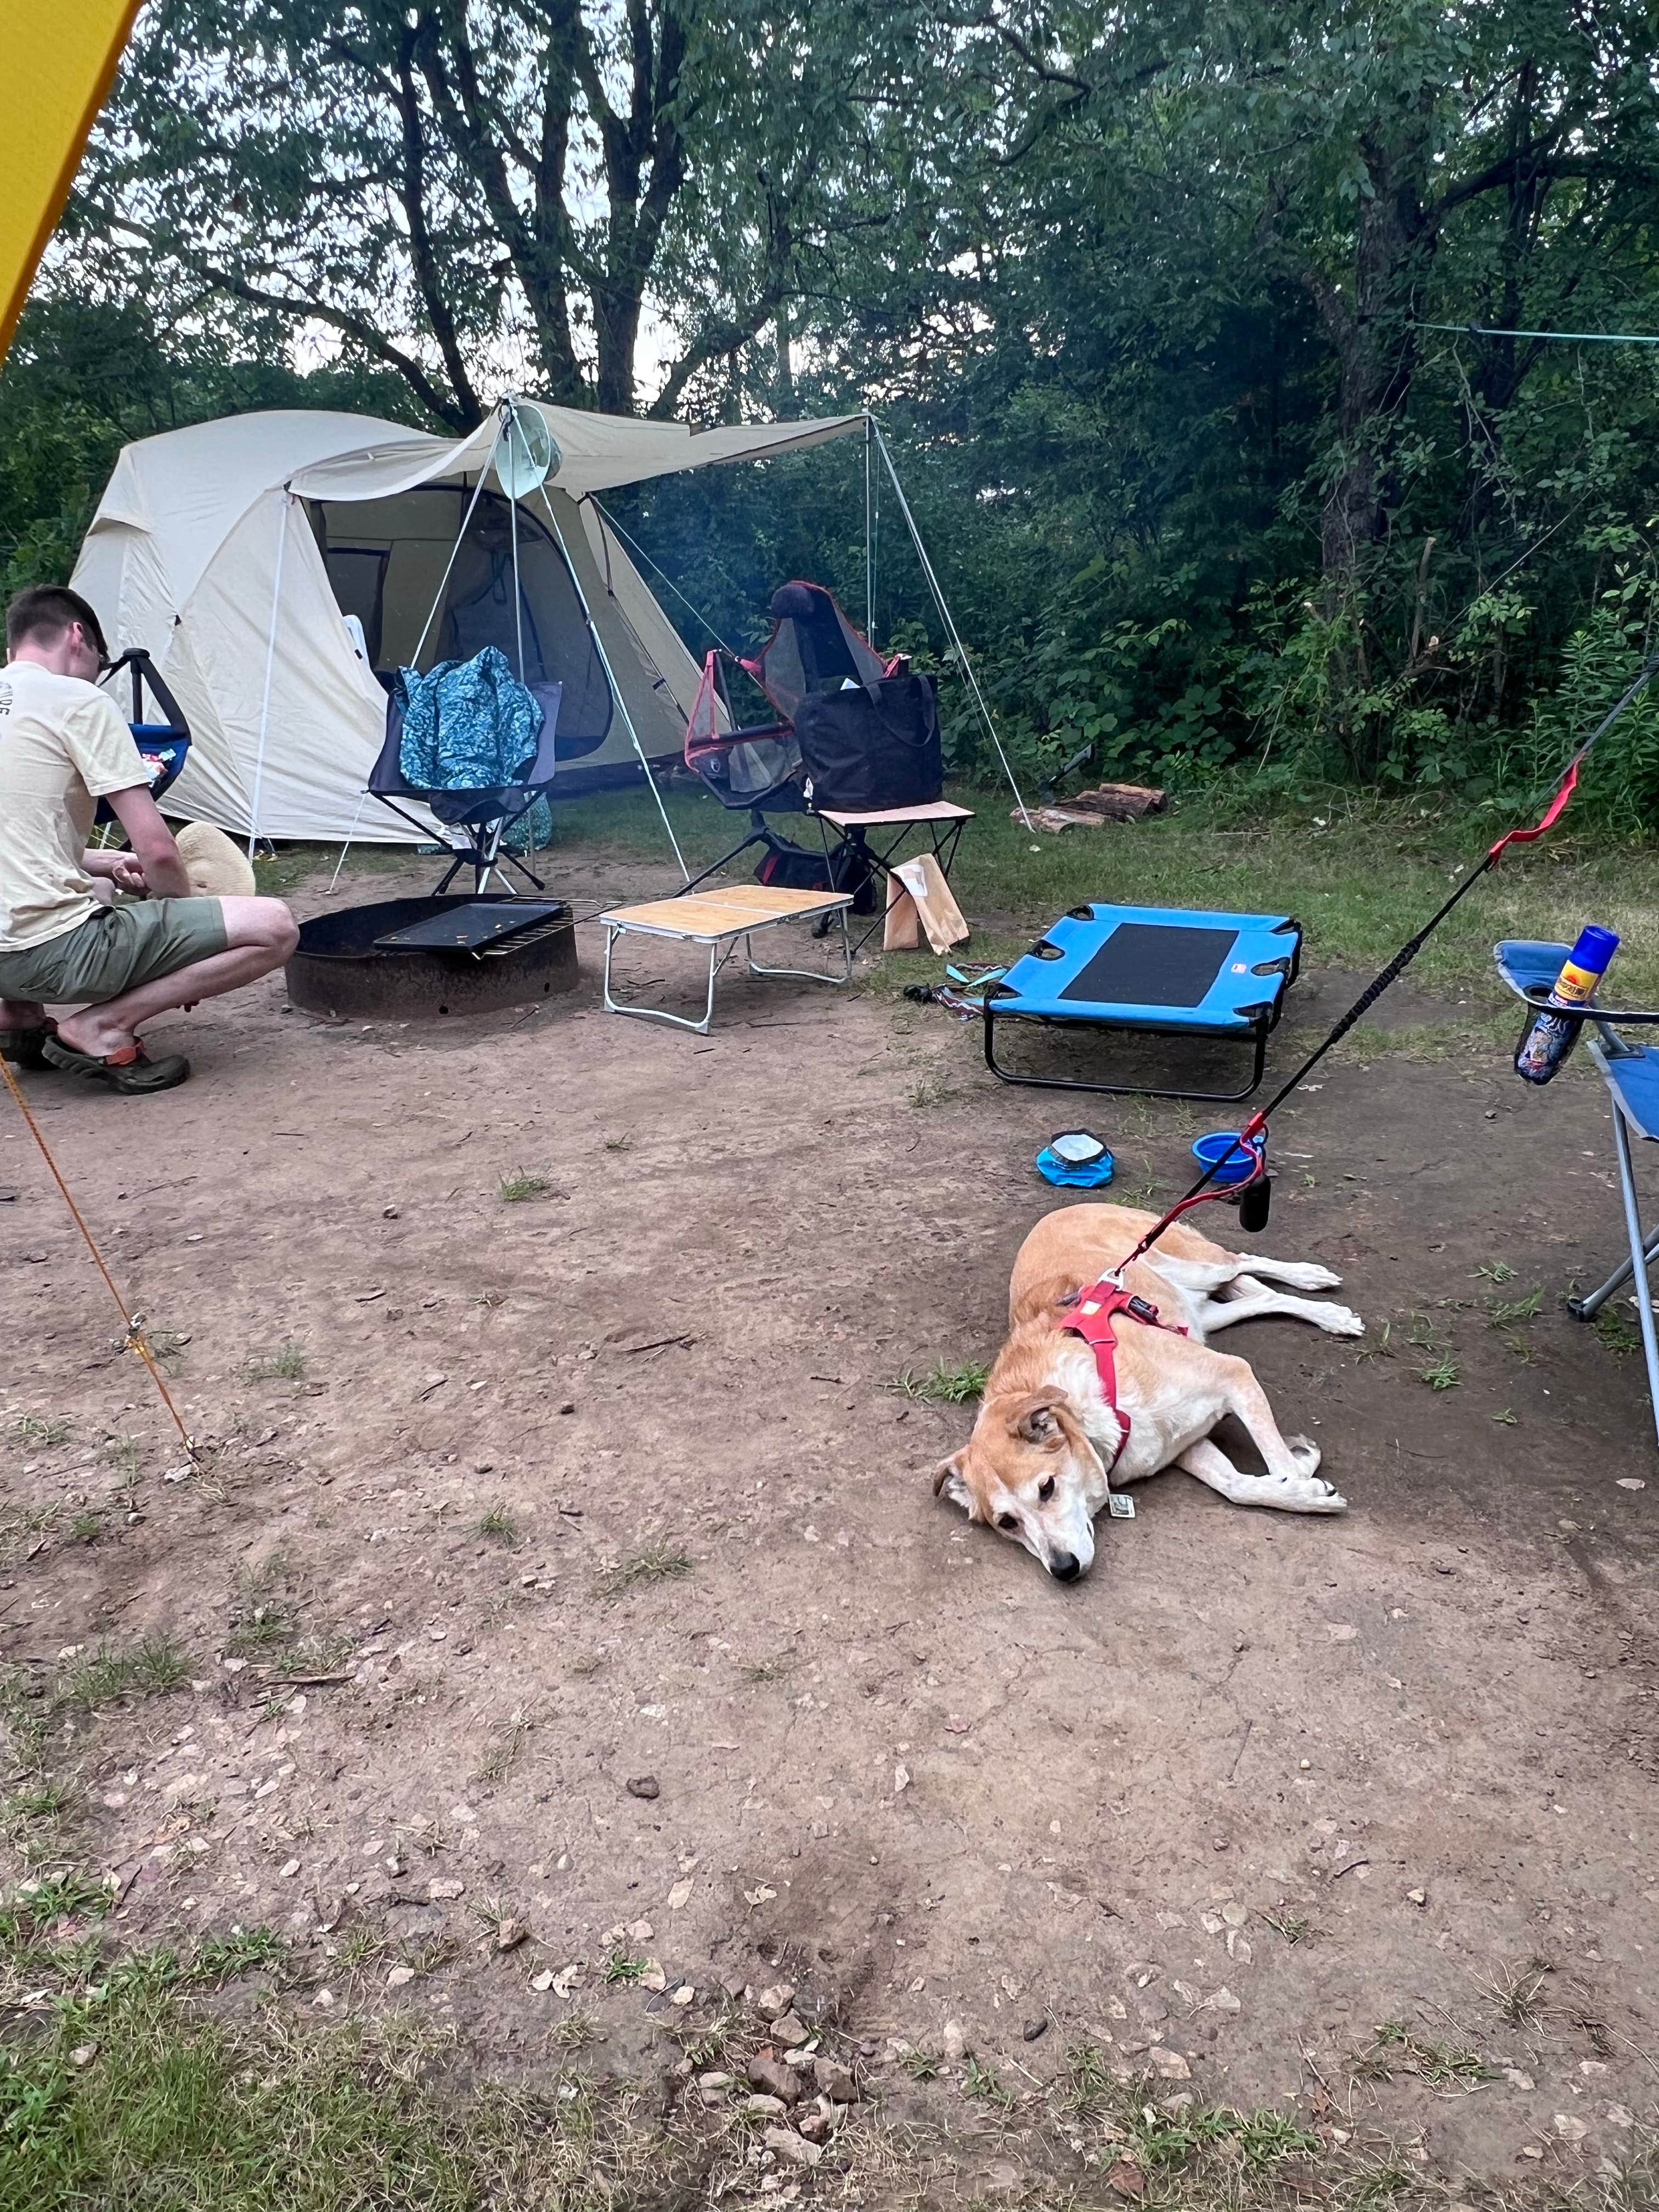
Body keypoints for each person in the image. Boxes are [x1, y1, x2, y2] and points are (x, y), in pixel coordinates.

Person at [0, 585, 298, 1094]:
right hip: (44, 952)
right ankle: (101, 1027)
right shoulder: (77, 700)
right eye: (100, 659)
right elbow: (158, 848)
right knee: (276, 926)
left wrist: (108, 861)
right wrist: (187, 937)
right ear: (79, 638)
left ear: (12, 652)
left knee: (95, 890)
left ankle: (19, 1021)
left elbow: (22, 842)